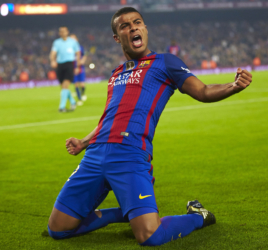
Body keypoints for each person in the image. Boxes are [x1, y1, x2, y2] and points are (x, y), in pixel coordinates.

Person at [47, 7, 252, 246]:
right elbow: (110, 119)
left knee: (150, 236)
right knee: (58, 229)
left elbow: (204, 91)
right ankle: (125, 213)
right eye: (125, 25)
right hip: (94, 155)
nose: (133, 27)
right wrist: (84, 142)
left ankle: (197, 216)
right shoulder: (116, 74)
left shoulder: (165, 63)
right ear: (117, 37)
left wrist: (233, 86)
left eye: (138, 22)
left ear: (145, 29)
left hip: (130, 153)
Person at [50, 26, 81, 112]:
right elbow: (53, 53)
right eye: (61, 31)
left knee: (65, 85)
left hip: (69, 64)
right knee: (63, 87)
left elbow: (78, 54)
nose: (63, 33)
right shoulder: (57, 42)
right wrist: (53, 60)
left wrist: (77, 66)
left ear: (67, 32)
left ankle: (62, 107)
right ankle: (73, 101)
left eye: (64, 31)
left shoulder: (73, 42)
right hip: (60, 65)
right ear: (59, 33)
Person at [70, 34, 87, 106]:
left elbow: (85, 55)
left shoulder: (80, 47)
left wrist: (83, 60)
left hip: (80, 67)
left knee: (82, 84)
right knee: (76, 84)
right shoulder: (69, 48)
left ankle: (82, 94)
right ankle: (79, 99)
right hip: (73, 68)